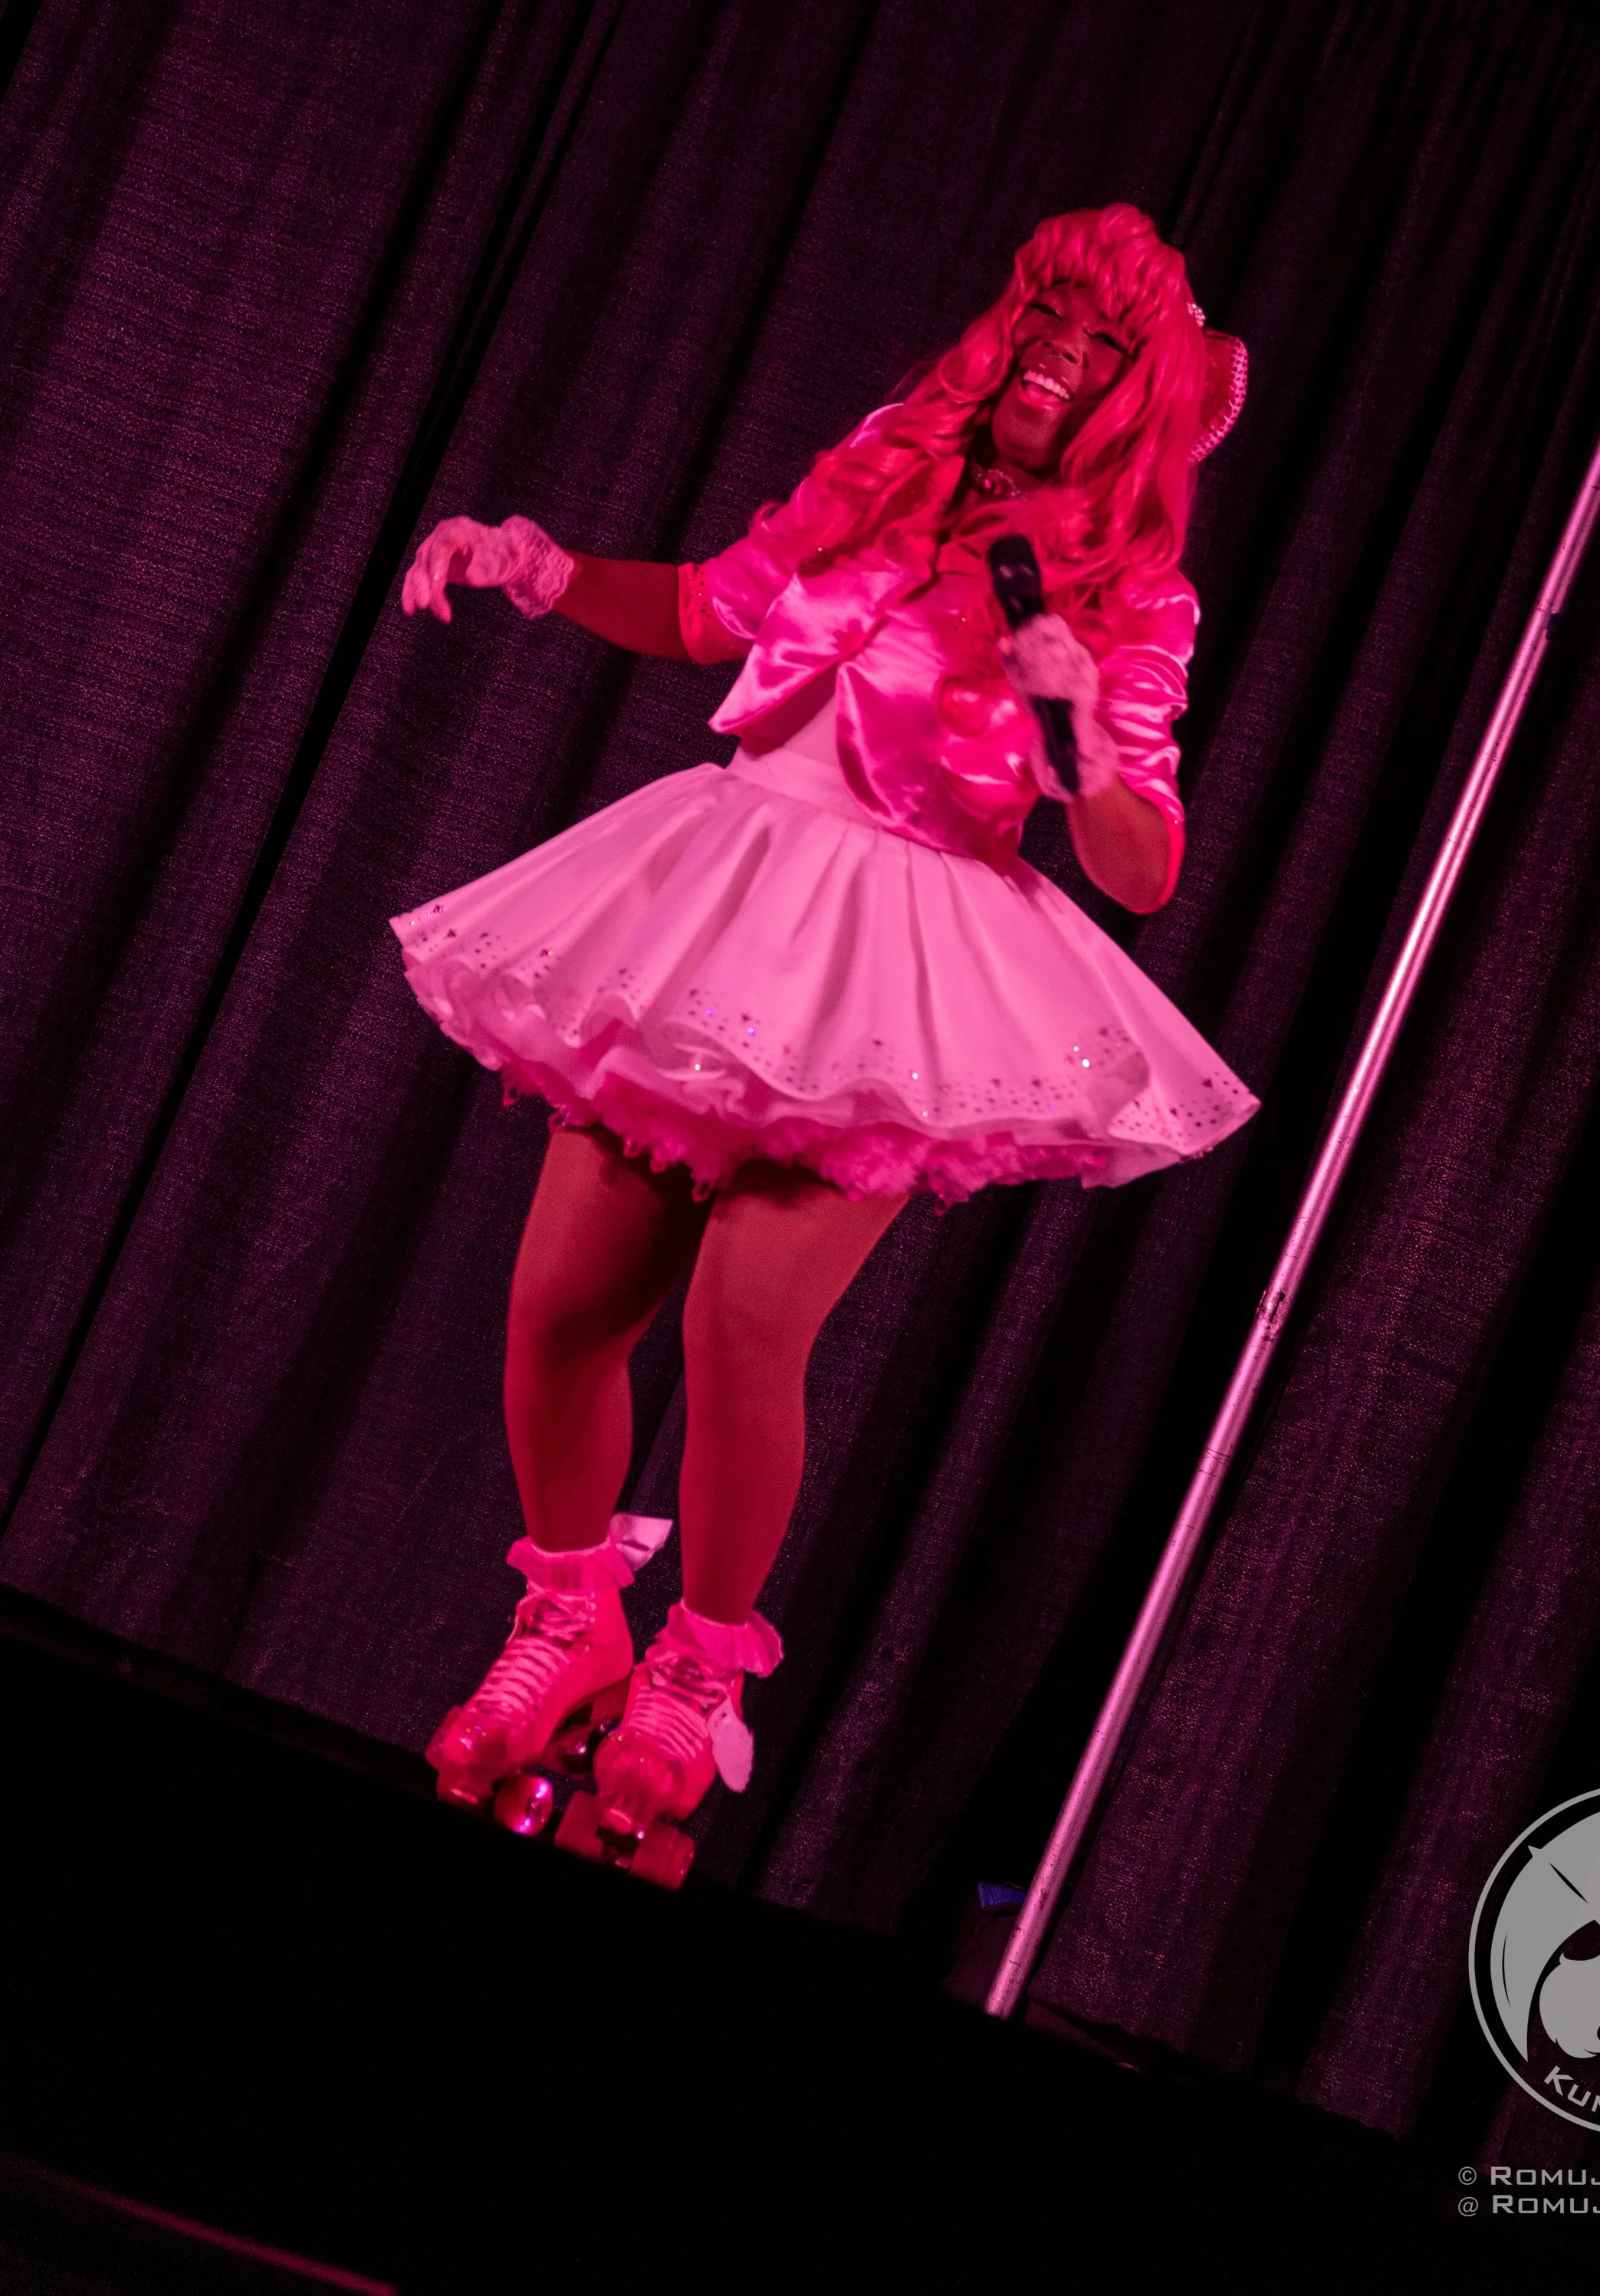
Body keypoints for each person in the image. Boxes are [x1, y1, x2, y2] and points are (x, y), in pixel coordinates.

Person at [393, 202, 1258, 1879]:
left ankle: (694, 1682)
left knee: (740, 1322)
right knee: (560, 1303)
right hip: (722, 892)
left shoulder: (1130, 590)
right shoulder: (886, 463)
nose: (1048, 364)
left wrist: (1070, 708)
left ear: (1135, 399)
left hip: (899, 952)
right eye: (1040, 322)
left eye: (1096, 351)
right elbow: (713, 610)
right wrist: (544, 568)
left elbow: (1142, 860)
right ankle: (569, 1623)